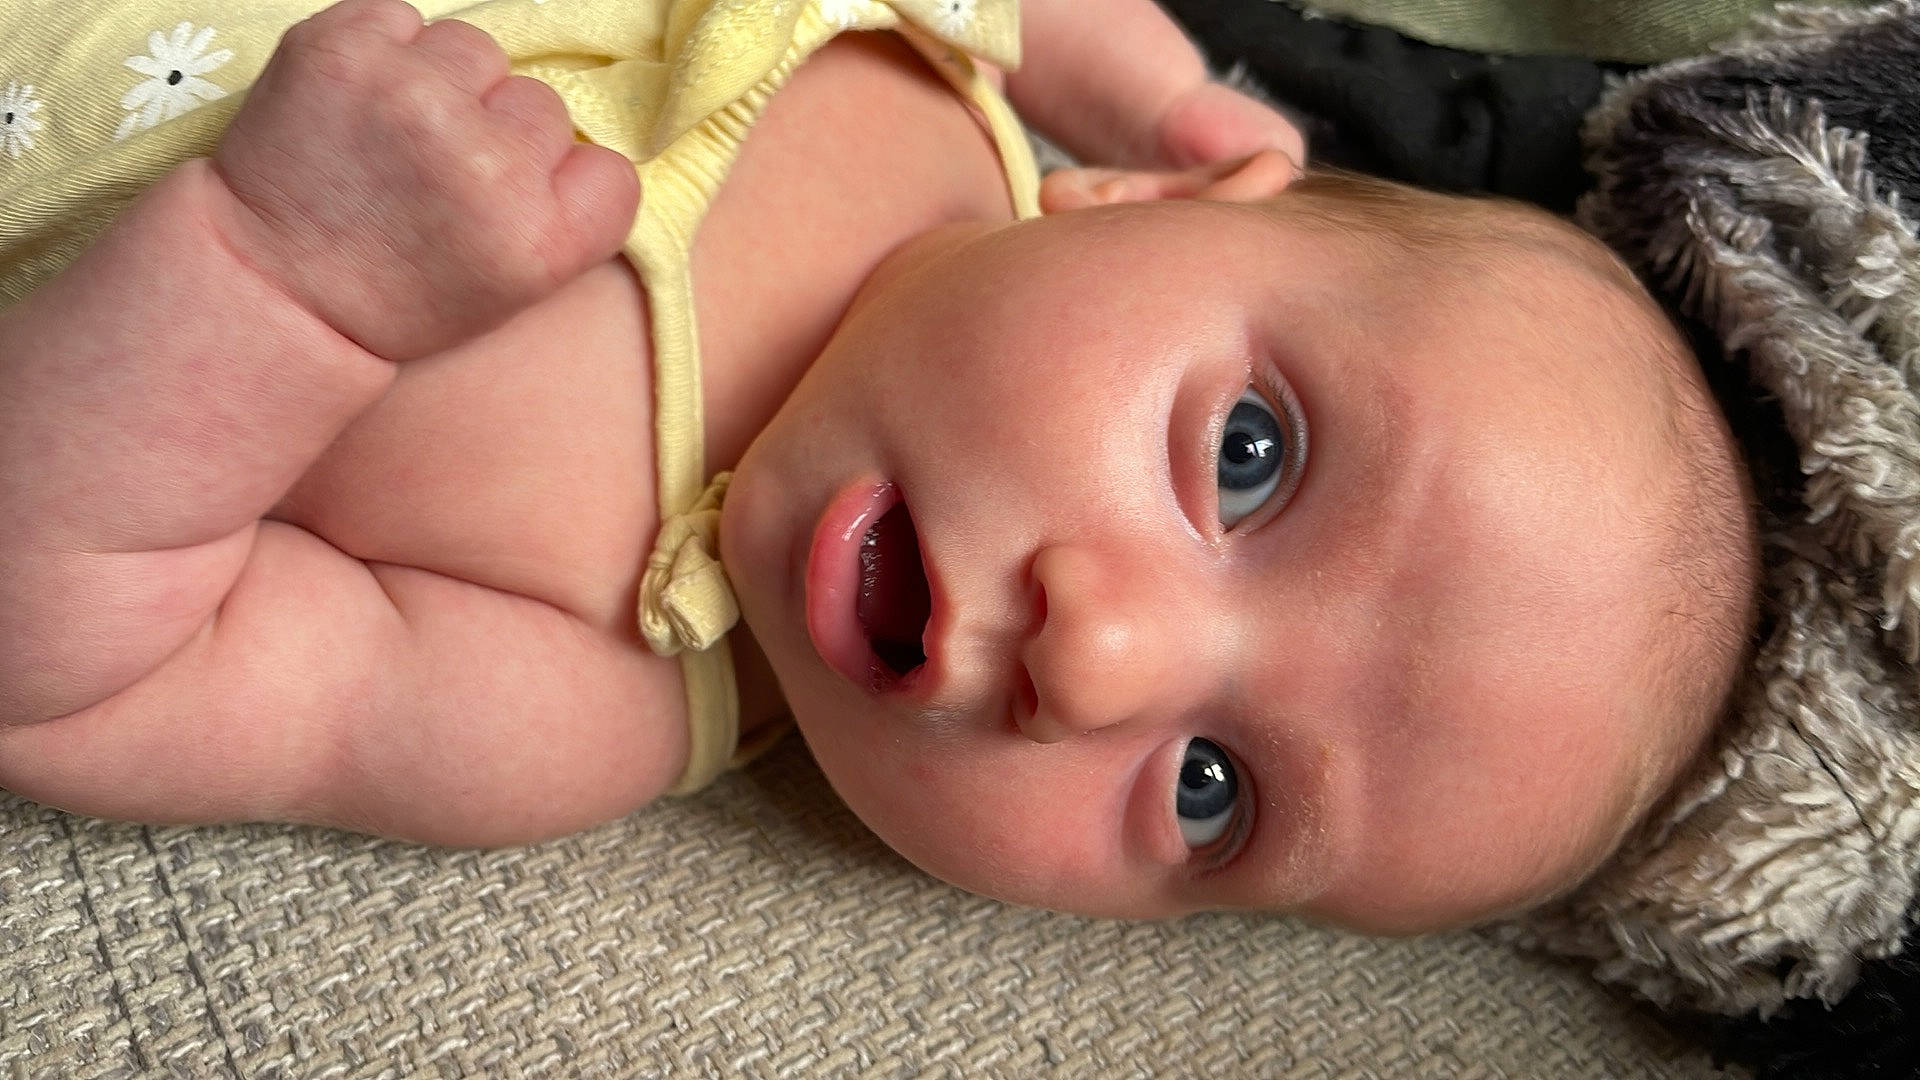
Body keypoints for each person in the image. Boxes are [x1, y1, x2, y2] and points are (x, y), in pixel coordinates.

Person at [0, 0, 1758, 935]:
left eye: (1211, 791)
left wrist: (277, 279)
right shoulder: (939, 67)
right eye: (1247, 456)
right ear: (1148, 200)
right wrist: (1131, 69)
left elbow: (62, 678)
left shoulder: (589, 677)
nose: (1106, 659)